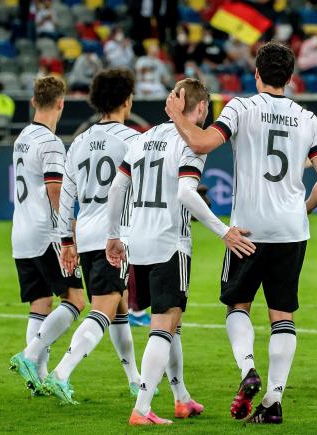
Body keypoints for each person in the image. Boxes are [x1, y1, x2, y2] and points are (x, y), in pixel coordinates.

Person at [164, 41, 317, 424]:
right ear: (290, 79)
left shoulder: (242, 107)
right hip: (291, 230)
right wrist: (302, 210)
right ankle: (273, 403)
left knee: (237, 304)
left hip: (248, 231)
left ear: (256, 74)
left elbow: (201, 141)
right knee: (282, 314)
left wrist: (178, 115)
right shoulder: (308, 118)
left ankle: (247, 370)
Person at [105, 78, 245, 425]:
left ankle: (181, 397)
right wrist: (224, 230)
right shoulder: (191, 143)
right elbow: (186, 193)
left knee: (171, 324)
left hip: (137, 242)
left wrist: (113, 235)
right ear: (200, 108)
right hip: (170, 244)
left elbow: (117, 188)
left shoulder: (142, 138)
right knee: (164, 325)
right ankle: (141, 408)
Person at [41, 69, 143, 404]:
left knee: (121, 306)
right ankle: (62, 372)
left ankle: (135, 380)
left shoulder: (79, 142)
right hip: (116, 236)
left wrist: (66, 241)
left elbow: (66, 197)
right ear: (127, 100)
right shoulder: (131, 140)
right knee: (104, 307)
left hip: (86, 235)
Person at [9, 76, 86, 394]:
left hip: (21, 234)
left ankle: (37, 380)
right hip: (46, 234)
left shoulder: (22, 138)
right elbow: (56, 192)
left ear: (32, 102)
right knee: (75, 300)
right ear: (61, 103)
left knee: (40, 303)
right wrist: (71, 231)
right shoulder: (50, 143)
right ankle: (29, 356)